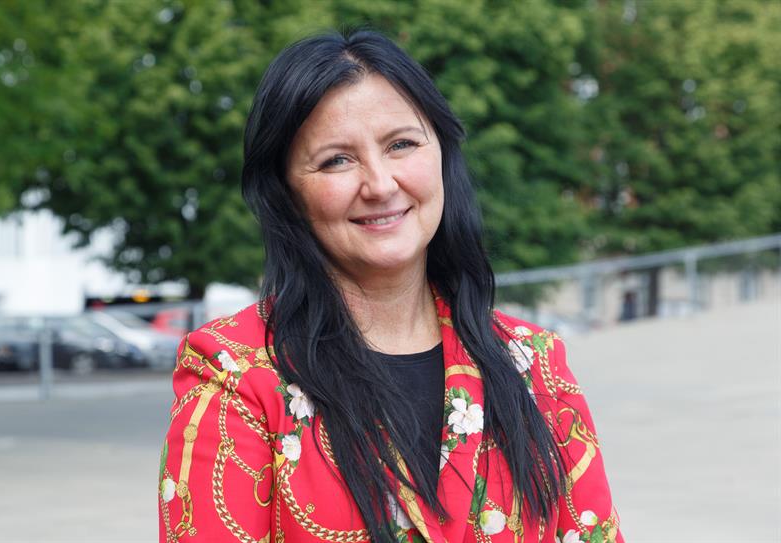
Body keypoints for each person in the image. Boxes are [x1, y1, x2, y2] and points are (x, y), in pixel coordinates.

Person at [158, 29, 624, 543]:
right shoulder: (236, 374)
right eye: (336, 160)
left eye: (401, 144)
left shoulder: (534, 365)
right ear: (286, 192)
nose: (380, 185)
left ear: (443, 154)